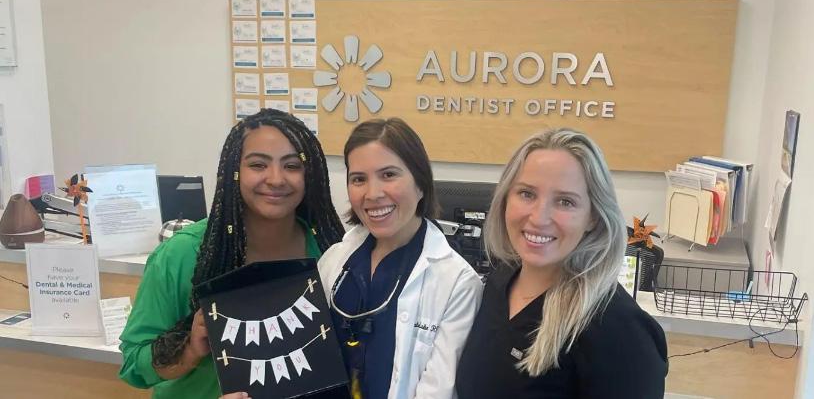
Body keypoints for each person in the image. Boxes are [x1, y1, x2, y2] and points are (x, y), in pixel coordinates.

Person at [118, 108, 345, 399]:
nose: (276, 179)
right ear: (233, 172)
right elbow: (133, 364)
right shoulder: (182, 254)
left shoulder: (329, 249)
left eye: (292, 166)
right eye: (258, 165)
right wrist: (189, 349)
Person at [455, 128, 668, 398]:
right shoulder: (499, 282)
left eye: (565, 202)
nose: (539, 217)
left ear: (593, 217)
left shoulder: (619, 329)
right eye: (527, 194)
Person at [321, 118, 483, 399]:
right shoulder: (335, 260)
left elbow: (438, 391)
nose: (372, 194)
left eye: (388, 175)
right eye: (359, 179)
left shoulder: (457, 283)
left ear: (420, 184)